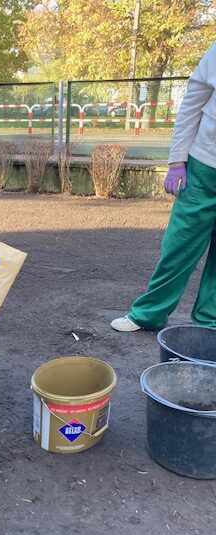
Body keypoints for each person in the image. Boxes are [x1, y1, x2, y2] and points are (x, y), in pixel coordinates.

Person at [111, 44, 216, 332]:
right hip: (205, 166)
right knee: (180, 245)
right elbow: (192, 104)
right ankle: (149, 313)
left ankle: (210, 321)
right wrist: (177, 160)